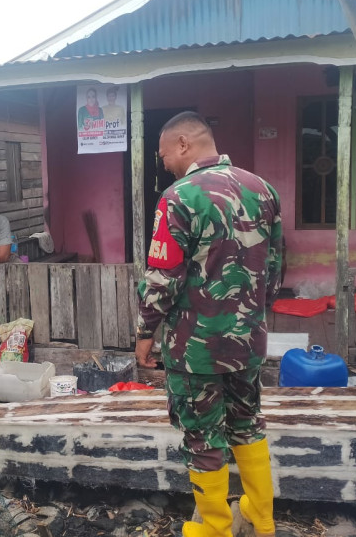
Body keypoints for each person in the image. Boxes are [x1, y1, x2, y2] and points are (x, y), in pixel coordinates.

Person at [135, 112, 283, 537]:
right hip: (248, 340)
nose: (164, 164)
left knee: (201, 436)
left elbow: (163, 277)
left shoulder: (179, 196)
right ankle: (262, 516)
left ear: (183, 144)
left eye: (164, 155)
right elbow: (274, 271)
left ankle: (215, 527)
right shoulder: (263, 188)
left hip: (194, 347)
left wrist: (146, 332)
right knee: (248, 421)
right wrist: (251, 315)